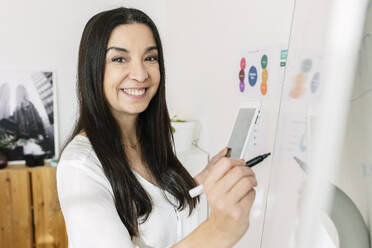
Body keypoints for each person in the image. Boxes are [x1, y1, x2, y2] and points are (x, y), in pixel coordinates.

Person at [57, 7, 257, 248]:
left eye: (150, 58)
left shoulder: (147, 141)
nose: (141, 74)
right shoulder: (80, 166)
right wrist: (222, 229)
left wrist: (199, 181)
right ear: (92, 69)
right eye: (119, 59)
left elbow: (155, 209)